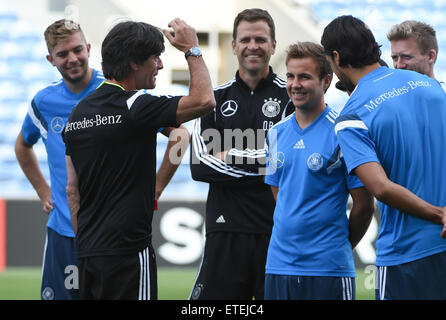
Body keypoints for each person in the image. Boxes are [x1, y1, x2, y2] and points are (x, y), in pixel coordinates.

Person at [63, 19, 215, 300]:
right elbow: (204, 101)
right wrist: (192, 49)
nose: (159, 65)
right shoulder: (135, 105)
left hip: (87, 254)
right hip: (128, 253)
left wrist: (87, 242)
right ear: (134, 63)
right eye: (155, 57)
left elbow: (72, 190)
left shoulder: (77, 114)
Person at [321, 15, 446, 300]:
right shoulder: (429, 86)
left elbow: (380, 189)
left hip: (406, 251)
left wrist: (440, 213)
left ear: (336, 57)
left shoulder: (351, 115)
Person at [189, 8, 293, 300]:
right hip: (225, 230)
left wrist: (226, 154)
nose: (253, 46)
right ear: (233, 46)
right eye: (245, 39)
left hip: (275, 232)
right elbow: (199, 166)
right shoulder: (213, 98)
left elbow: (287, 162)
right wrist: (265, 160)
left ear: (273, 46)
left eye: (260, 39)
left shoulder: (291, 97)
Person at [263, 42, 374, 300]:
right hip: (279, 267)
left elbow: (363, 205)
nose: (295, 84)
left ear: (325, 81)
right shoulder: (274, 133)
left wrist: (338, 247)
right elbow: (280, 195)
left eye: (304, 77)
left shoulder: (344, 131)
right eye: (290, 76)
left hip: (329, 270)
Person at [14, 19, 104, 300]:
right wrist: (43, 191)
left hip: (108, 232)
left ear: (88, 48)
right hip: (63, 234)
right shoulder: (43, 102)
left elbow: (174, 132)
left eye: (78, 49)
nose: (73, 58)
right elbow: (22, 146)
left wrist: (156, 186)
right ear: (50, 59)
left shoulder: (114, 91)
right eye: (63, 54)